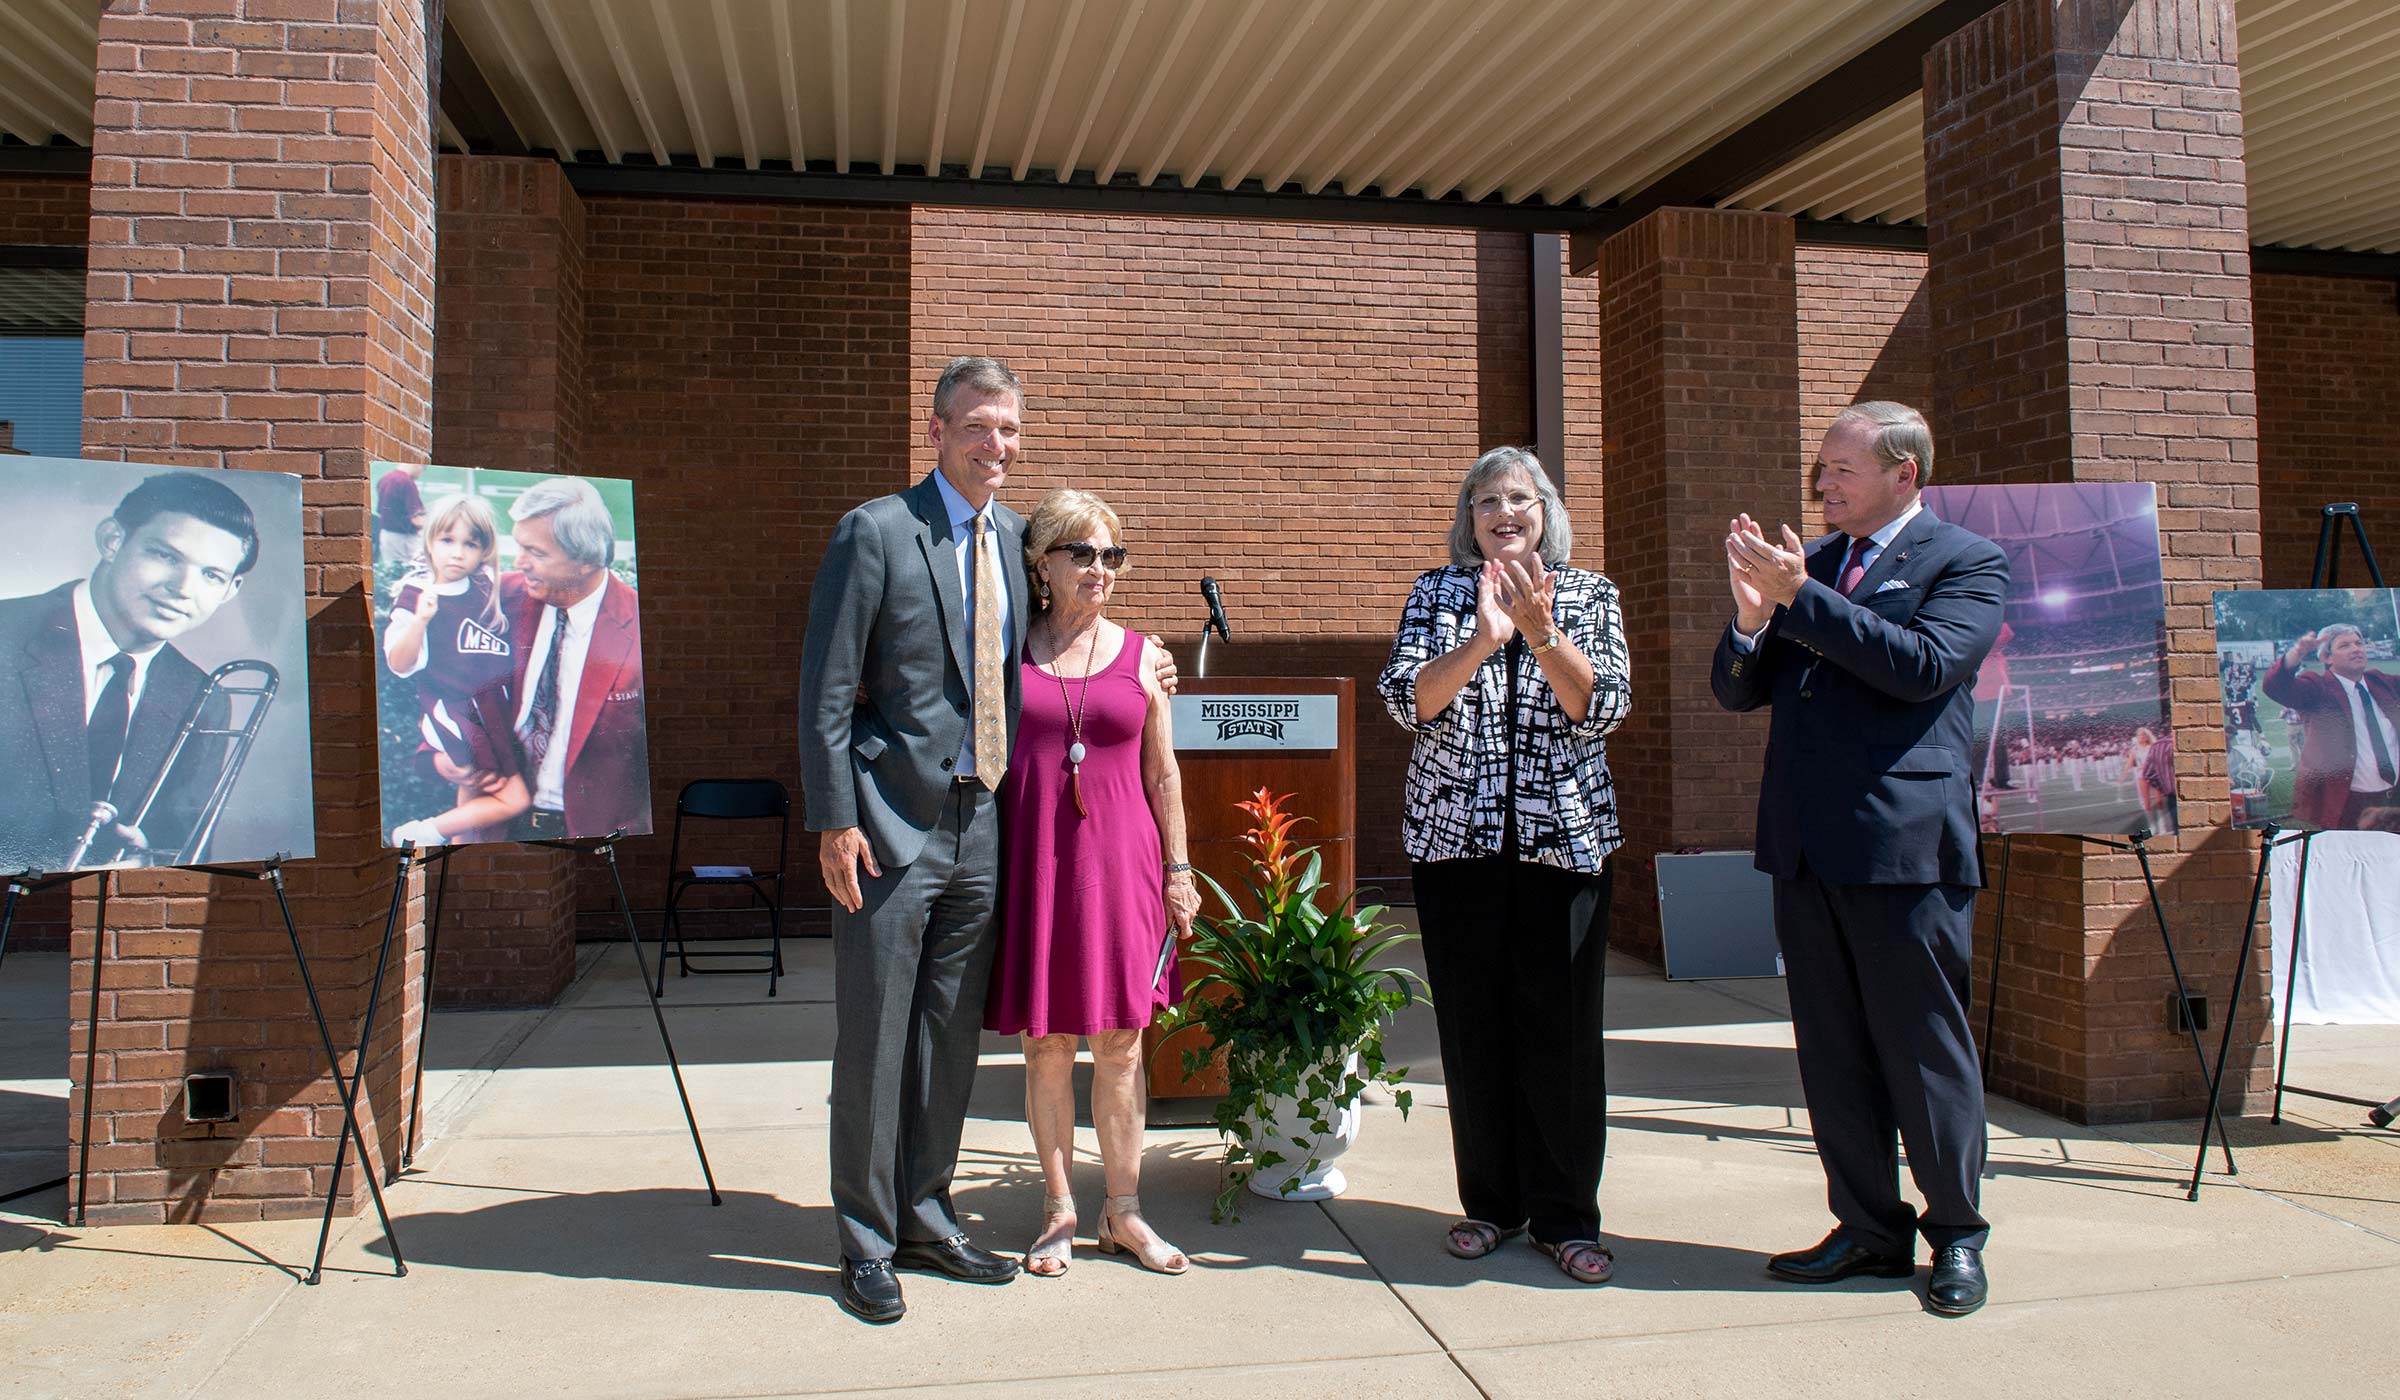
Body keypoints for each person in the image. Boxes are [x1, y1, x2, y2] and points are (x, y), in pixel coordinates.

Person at [797, 356, 1178, 1324]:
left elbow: (1075, 633)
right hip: (890, 824)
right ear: (937, 430)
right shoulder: (877, 530)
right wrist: (835, 817)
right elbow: (828, 689)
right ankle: (867, 1239)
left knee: (950, 1036)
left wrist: (1152, 654)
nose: (995, 445)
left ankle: (927, 1209)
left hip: (988, 823)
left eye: (1009, 429)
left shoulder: (1021, 540)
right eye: (977, 426)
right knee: (877, 1036)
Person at [1711, 400, 2007, 1318]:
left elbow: (1920, 667)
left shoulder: (1965, 561)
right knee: (1832, 1051)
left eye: (1841, 468)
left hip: (1904, 848)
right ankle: (1868, 1228)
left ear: (1903, 472)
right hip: (1806, 843)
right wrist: (1754, 617)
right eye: (1822, 469)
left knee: (1923, 1050)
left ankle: (1955, 1234)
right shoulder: (1822, 566)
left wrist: (1804, 598)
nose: (1823, 483)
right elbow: (1736, 690)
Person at [1376, 446, 1632, 1286]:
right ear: (1470, 519)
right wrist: (1484, 640)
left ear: (1545, 511)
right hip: (1458, 847)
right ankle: (1489, 1203)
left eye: (1518, 498)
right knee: (1474, 1030)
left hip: (1564, 844)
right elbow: (1407, 701)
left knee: (1560, 1036)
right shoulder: (1438, 593)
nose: (1502, 512)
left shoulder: (1590, 594)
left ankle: (1565, 1217)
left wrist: (1539, 632)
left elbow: (1602, 706)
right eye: (1486, 501)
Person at [984, 489, 1199, 1278]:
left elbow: (1163, 773)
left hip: (1125, 871)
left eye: (1113, 554)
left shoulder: (1145, 654)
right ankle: (1058, 1210)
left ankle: (1125, 1211)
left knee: (1120, 1045)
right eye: (1083, 553)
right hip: (1038, 867)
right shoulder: (1007, 649)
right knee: (1046, 1045)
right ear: (1043, 562)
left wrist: (1180, 871)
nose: (1101, 568)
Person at [0, 472, 254, 872]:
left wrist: (145, 853)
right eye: (166, 556)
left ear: (230, 589)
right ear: (112, 540)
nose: (184, 588)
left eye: (212, 575)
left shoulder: (203, 698)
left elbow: (185, 847)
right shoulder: (5, 636)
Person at [433, 476, 649, 842]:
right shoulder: (499, 600)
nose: (519, 562)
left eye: (537, 552)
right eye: (519, 546)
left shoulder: (636, 623)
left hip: (592, 841)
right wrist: (441, 754)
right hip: (497, 830)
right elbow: (446, 677)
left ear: (584, 560)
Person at [380, 492, 530, 846]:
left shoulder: (486, 588)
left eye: (470, 543)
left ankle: (458, 869)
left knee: (473, 805)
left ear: (483, 551)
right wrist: (420, 621)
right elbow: (398, 665)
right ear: (430, 540)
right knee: (515, 798)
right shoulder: (417, 593)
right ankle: (421, 833)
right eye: (447, 540)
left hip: (491, 713)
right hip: (458, 715)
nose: (458, 552)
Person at [2262, 623, 2400, 830]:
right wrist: (2298, 652)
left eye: (2359, 643)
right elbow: (2275, 686)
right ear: (2327, 658)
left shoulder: (2380, 682)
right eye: (2344, 646)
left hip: (2393, 801)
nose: (2356, 649)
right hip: (2348, 805)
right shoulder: (2317, 688)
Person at [375, 461, 427, 565]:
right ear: (417, 464)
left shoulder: (384, 479)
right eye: (423, 468)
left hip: (386, 536)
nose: (422, 472)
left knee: (392, 574)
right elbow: (416, 520)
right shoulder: (407, 483)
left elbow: (380, 510)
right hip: (404, 541)